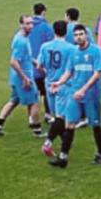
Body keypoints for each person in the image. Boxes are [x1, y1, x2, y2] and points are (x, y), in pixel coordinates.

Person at [48, 24, 101, 167]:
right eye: (76, 35)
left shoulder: (96, 51)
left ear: (86, 35)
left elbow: (97, 73)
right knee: (69, 124)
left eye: (81, 34)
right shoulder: (73, 52)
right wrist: (59, 82)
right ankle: (63, 158)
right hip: (75, 94)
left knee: (95, 125)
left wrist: (84, 90)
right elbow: (69, 71)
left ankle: (100, 154)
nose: (79, 37)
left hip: (91, 95)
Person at [0, 15, 43, 138]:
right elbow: (14, 62)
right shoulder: (21, 41)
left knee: (13, 101)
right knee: (35, 101)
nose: (30, 26)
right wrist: (25, 78)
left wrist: (33, 60)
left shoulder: (22, 37)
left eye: (31, 23)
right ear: (21, 25)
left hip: (16, 77)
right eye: (27, 23)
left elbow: (22, 57)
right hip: (23, 78)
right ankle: (37, 130)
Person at [38, 20, 74, 158]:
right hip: (64, 85)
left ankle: (64, 143)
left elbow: (39, 65)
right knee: (61, 118)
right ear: (66, 31)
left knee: (57, 117)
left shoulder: (45, 46)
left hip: (49, 84)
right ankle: (49, 143)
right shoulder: (71, 48)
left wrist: (47, 72)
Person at [28, 3, 53, 112]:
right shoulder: (46, 27)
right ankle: (48, 114)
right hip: (42, 65)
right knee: (46, 91)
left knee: (32, 93)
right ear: (43, 12)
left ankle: (31, 117)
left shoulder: (29, 27)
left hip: (29, 65)